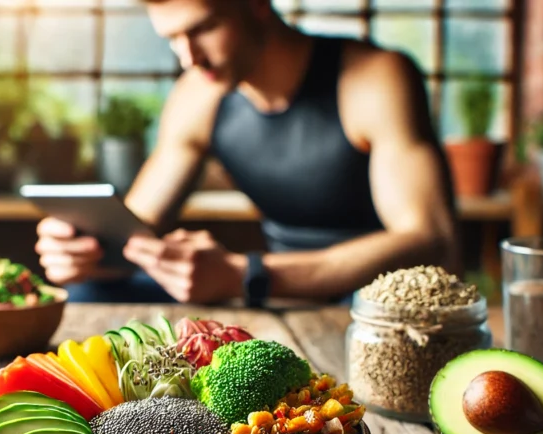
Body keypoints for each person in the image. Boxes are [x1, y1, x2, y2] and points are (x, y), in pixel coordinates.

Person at [34, 0, 460, 307]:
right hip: (270, 286)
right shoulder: (198, 94)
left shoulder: (374, 77)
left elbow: (430, 238)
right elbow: (134, 234)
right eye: (173, 39)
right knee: (89, 291)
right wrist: (87, 253)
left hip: (375, 293)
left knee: (380, 307)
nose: (189, 58)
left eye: (202, 28)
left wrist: (245, 274)